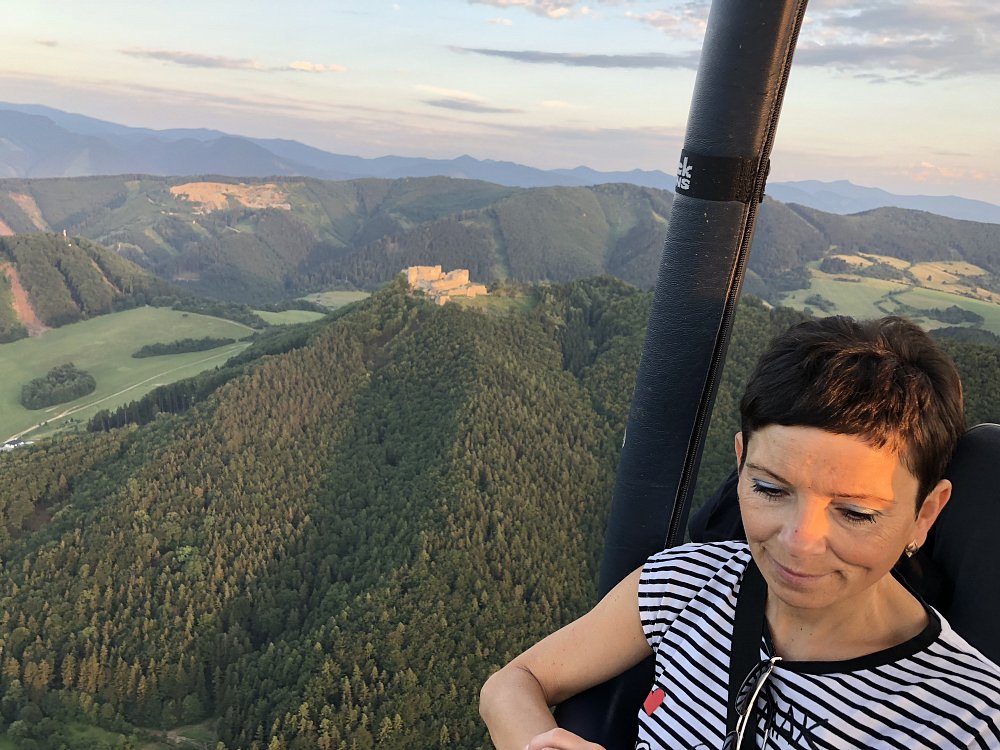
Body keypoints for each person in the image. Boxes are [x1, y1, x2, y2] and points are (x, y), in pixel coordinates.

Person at [479, 315, 1000, 749]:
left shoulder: (967, 723)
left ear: (926, 514)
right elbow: (514, 682)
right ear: (740, 463)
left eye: (856, 513)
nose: (798, 542)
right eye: (770, 489)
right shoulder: (688, 584)